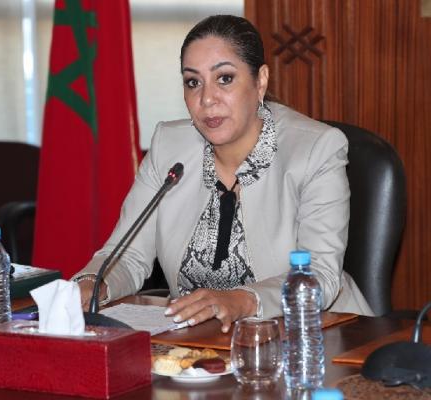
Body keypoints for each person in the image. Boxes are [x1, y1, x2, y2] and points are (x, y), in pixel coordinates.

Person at [73, 15, 373, 333]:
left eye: (225, 78)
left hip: (316, 335)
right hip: (200, 345)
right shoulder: (168, 146)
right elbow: (128, 254)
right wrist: (93, 284)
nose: (206, 99)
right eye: (193, 82)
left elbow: (320, 276)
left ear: (260, 81)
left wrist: (243, 301)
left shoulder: (316, 148)